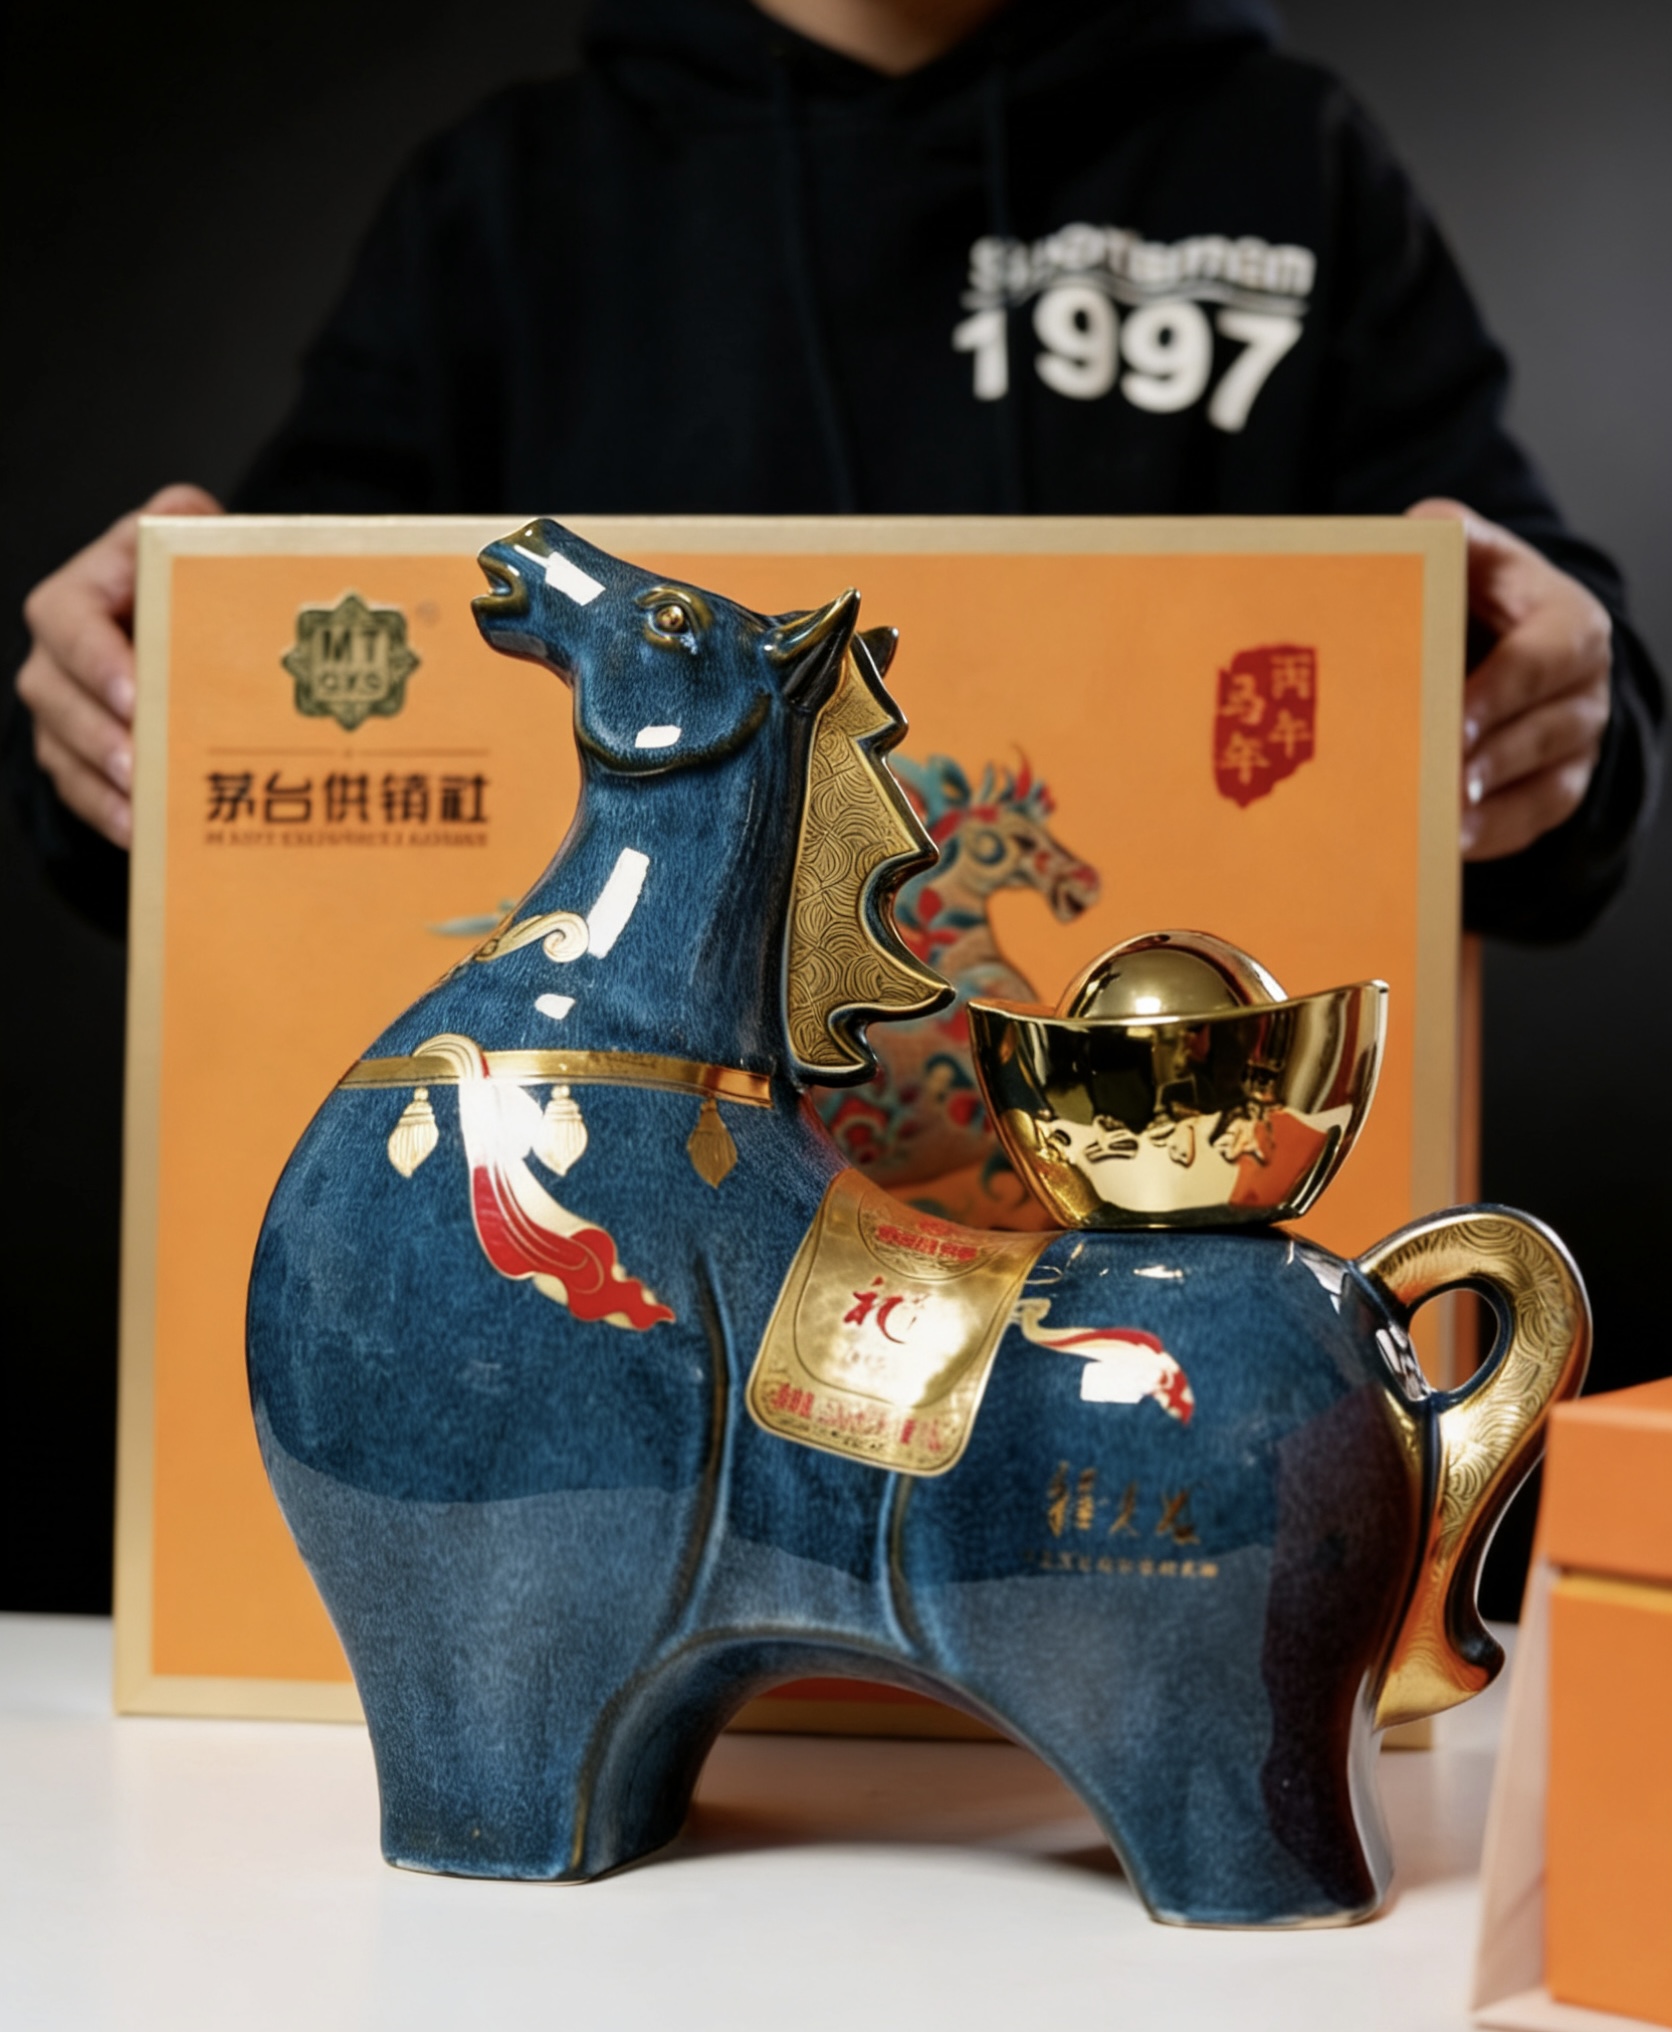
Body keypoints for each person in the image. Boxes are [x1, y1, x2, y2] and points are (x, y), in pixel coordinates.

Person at [11, 0, 1662, 942]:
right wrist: (127, 708)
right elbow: (266, 722)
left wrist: (1554, 719)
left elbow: (1542, 684)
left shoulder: (1283, 157)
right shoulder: (511, 201)